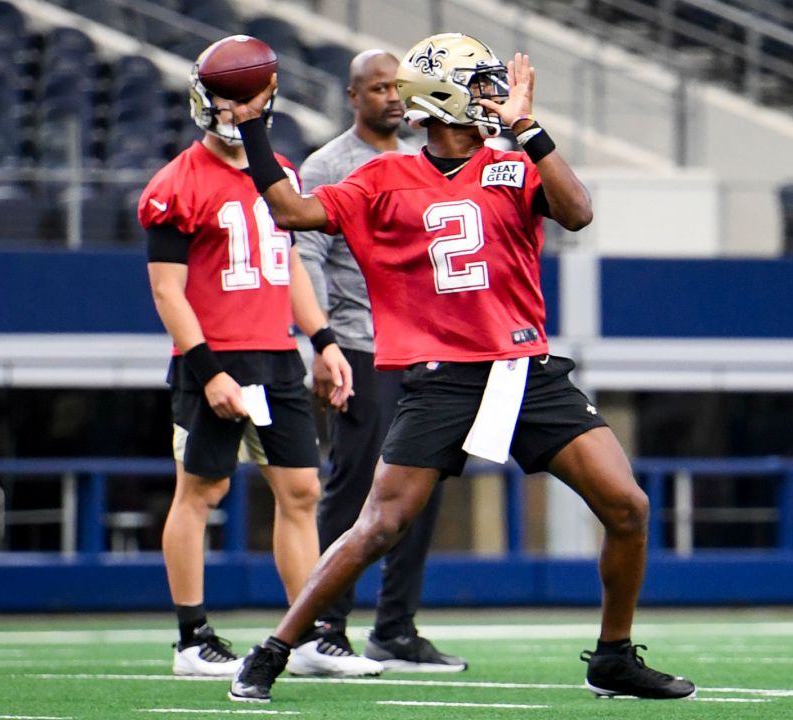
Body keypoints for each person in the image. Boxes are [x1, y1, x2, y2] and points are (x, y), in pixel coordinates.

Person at [226, 33, 698, 702]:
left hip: (524, 368)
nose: (492, 96)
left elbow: (579, 211)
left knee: (627, 506)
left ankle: (613, 656)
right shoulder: (381, 177)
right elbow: (290, 210)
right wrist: (254, 135)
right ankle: (274, 648)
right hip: (442, 375)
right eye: (478, 85)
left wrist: (529, 128)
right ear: (442, 95)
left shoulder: (512, 164)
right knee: (380, 526)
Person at [140, 36, 376, 679]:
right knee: (202, 490)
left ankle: (303, 638)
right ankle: (192, 639)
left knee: (301, 491)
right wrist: (208, 368)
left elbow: (291, 268)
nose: (234, 109)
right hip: (216, 355)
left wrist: (323, 341)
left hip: (277, 357)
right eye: (225, 96)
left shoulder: (283, 176)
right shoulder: (176, 183)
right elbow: (167, 290)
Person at [286, 49, 466, 677]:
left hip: (425, 347)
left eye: (399, 87)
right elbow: (304, 257)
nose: (393, 97)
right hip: (361, 344)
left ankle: (395, 629)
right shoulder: (329, 164)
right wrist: (323, 341)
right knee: (353, 486)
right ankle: (324, 627)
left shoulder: (425, 155)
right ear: (352, 95)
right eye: (379, 87)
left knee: (422, 489)